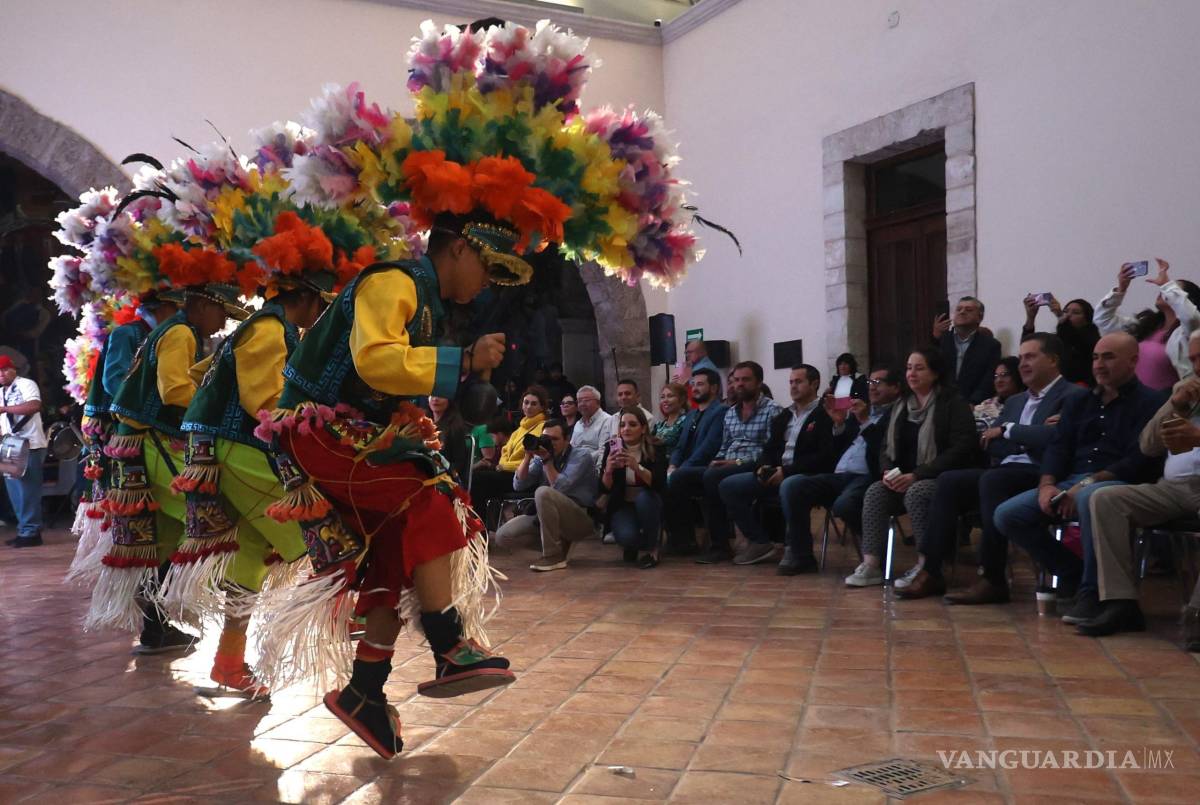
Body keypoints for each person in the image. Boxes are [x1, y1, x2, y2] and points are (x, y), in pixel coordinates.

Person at [165, 267, 331, 697]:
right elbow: (264, 403)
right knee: (324, 537)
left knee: (251, 559)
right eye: (323, 304)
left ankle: (229, 663)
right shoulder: (272, 329)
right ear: (309, 297)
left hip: (226, 450)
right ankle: (353, 628)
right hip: (239, 450)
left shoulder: (267, 328)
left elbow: (206, 374)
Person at [92, 281, 246, 652]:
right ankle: (212, 619)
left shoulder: (172, 330)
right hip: (151, 442)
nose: (223, 320)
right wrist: (220, 406)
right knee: (216, 520)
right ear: (203, 305)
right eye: (222, 311)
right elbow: (175, 391)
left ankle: (157, 628)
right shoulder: (179, 333)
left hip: (136, 444)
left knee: (158, 541)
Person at [992, 332, 1166, 624]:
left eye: (1108, 357)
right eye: (1096, 357)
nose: (1099, 364)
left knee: (1090, 497)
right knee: (1008, 515)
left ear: (1133, 361)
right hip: (1070, 481)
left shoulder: (1151, 402)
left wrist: (1084, 484)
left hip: (1119, 483)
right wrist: (1047, 484)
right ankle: (1071, 570)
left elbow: (1140, 459)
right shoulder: (1079, 401)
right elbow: (1058, 447)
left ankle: (1091, 593)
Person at [918, 335, 1089, 602]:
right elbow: (989, 444)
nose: (1023, 364)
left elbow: (1057, 441)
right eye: (1020, 358)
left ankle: (992, 577)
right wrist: (1026, 437)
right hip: (1007, 469)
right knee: (950, 481)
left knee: (994, 481)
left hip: (1045, 473)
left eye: (1030, 357)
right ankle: (931, 571)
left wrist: (1010, 432)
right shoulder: (1015, 401)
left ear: (1053, 360)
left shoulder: (1073, 396)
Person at [1078, 331, 1200, 637]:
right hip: (1173, 488)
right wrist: (1175, 404)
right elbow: (1147, 446)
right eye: (1194, 359)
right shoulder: (1189, 392)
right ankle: (1120, 604)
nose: (1197, 366)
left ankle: (1198, 615)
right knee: (1105, 499)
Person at [845, 348, 978, 588]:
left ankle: (926, 565)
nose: (912, 373)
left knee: (918, 493)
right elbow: (886, 447)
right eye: (908, 368)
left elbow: (961, 449)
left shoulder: (952, 403)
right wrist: (888, 472)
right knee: (875, 491)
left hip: (941, 478)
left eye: (919, 368)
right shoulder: (901, 405)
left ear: (935, 373)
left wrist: (917, 475)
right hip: (904, 477)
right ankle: (872, 564)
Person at [777, 364, 902, 574]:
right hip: (841, 475)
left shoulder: (898, 414)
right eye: (871, 382)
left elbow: (886, 452)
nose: (872, 387)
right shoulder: (862, 411)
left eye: (879, 383)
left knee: (845, 504)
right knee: (792, 485)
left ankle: (874, 555)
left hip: (870, 476)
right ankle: (801, 555)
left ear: (896, 388)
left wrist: (863, 422)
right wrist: (839, 426)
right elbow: (837, 450)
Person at [719, 364, 836, 565]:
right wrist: (764, 466)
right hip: (778, 472)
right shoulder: (784, 416)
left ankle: (798, 551)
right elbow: (770, 448)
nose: (793, 386)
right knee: (728, 485)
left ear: (814, 384)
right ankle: (759, 541)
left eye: (798, 381)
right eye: (791, 382)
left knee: (791, 486)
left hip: (805, 475)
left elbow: (825, 457)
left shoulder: (824, 415)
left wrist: (787, 471)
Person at [694, 361, 781, 564]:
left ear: (759, 382)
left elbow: (770, 452)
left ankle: (732, 543)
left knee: (714, 478)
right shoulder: (730, 413)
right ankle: (691, 540)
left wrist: (737, 461)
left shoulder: (773, 410)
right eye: (736, 380)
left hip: (757, 464)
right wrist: (719, 460)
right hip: (729, 464)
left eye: (746, 380)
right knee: (691, 476)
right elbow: (725, 446)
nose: (739, 384)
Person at [495, 418, 597, 571]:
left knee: (543, 492)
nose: (550, 444)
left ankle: (553, 555)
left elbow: (560, 487)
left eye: (555, 439)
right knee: (503, 537)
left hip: (579, 517)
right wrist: (528, 456)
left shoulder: (581, 456)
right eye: (546, 439)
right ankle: (560, 544)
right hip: (547, 516)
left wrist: (547, 461)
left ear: (567, 439)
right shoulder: (540, 457)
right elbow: (519, 485)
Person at [1095, 259, 1200, 389]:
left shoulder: (1191, 331)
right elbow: (1102, 319)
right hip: (1136, 398)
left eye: (1172, 289)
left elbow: (1190, 317)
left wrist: (1167, 285)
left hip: (1170, 401)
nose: (1163, 290)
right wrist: (1121, 289)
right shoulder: (1147, 325)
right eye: (1164, 288)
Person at [663, 368, 728, 555]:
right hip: (687, 467)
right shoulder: (692, 414)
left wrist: (681, 468)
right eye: (693, 384)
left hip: (707, 466)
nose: (695, 388)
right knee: (660, 478)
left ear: (714, 388)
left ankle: (685, 541)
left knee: (678, 478)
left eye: (700, 384)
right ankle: (679, 538)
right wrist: (672, 465)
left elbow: (709, 447)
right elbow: (680, 446)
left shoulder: (721, 411)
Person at [600, 407, 667, 568]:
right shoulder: (612, 447)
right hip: (624, 503)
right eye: (622, 425)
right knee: (626, 537)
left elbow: (659, 483)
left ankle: (652, 549)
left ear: (643, 428)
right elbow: (604, 488)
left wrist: (637, 467)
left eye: (632, 424)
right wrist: (608, 470)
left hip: (649, 499)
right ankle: (640, 541)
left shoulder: (656, 447)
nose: (626, 429)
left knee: (644, 498)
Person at [470, 385, 549, 510]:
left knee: (478, 480)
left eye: (534, 404)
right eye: (526, 402)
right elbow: (505, 451)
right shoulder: (520, 428)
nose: (528, 406)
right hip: (506, 472)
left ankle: (479, 523)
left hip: (525, 477)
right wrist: (502, 465)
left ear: (542, 407)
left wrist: (504, 466)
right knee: (475, 476)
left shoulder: (543, 427)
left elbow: (535, 460)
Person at [0, 355, 47, 548]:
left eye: (4, 369)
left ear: (14, 369)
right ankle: (24, 530)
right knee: (15, 492)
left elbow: (34, 406)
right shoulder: (1, 391)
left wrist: (4, 408)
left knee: (28, 490)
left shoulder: (26, 384)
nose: (1, 374)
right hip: (8, 445)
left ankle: (32, 531)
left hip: (30, 444)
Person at [931, 296, 1002, 404]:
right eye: (959, 309)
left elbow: (988, 379)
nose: (962, 312)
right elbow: (930, 367)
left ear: (980, 317)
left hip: (973, 405)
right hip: (940, 402)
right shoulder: (941, 340)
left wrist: (973, 402)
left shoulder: (991, 346)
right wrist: (935, 338)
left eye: (968, 310)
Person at [1022, 294, 1099, 386]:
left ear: (1087, 319)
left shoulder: (1093, 340)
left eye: (1076, 312)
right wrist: (1031, 317)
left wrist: (1060, 315)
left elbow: (1076, 340)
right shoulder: (1056, 340)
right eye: (1065, 311)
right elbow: (1027, 346)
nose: (1068, 315)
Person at [973, 356, 1025, 431]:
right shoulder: (987, 403)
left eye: (1004, 375)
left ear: (1017, 376)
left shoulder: (1026, 404)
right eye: (996, 376)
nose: (998, 380)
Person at [429, 396, 471, 482]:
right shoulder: (422, 421)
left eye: (441, 396)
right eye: (432, 395)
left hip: (442, 479)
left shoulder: (455, 427)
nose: (435, 399)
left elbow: (458, 464)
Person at [570, 384, 613, 466]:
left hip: (593, 468)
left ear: (598, 402)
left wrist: (580, 461)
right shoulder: (578, 424)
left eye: (586, 400)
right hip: (575, 467)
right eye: (579, 401)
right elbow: (571, 448)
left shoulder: (607, 420)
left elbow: (603, 452)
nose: (582, 404)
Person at [651, 382, 687, 454]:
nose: (665, 400)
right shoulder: (659, 425)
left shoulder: (686, 421)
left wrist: (664, 442)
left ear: (682, 399)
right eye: (662, 397)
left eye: (670, 396)